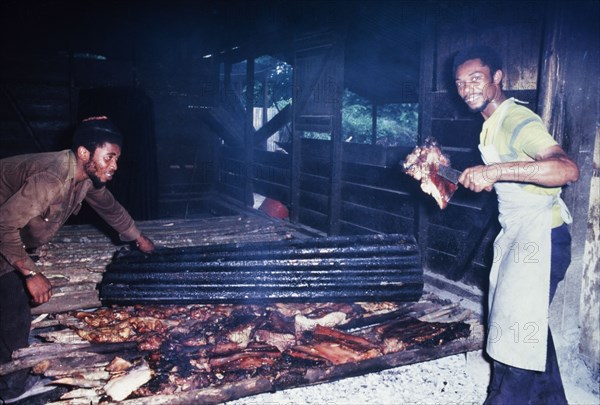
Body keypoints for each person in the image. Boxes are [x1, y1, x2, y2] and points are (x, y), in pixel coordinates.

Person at [452, 45, 580, 404]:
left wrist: (495, 171)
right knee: (527, 326)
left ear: (497, 77)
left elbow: (566, 169)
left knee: (515, 342)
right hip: (519, 234)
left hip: (541, 239)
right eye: (460, 83)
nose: (467, 89)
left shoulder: (517, 120)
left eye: (476, 79)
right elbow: (511, 177)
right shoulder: (490, 125)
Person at [0, 116, 155, 401]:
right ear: (84, 153)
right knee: (14, 302)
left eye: (117, 158)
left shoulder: (83, 177)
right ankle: (10, 389)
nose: (114, 166)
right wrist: (30, 273)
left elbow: (110, 207)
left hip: (6, 226)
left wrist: (138, 237)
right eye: (109, 157)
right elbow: (3, 225)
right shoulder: (53, 177)